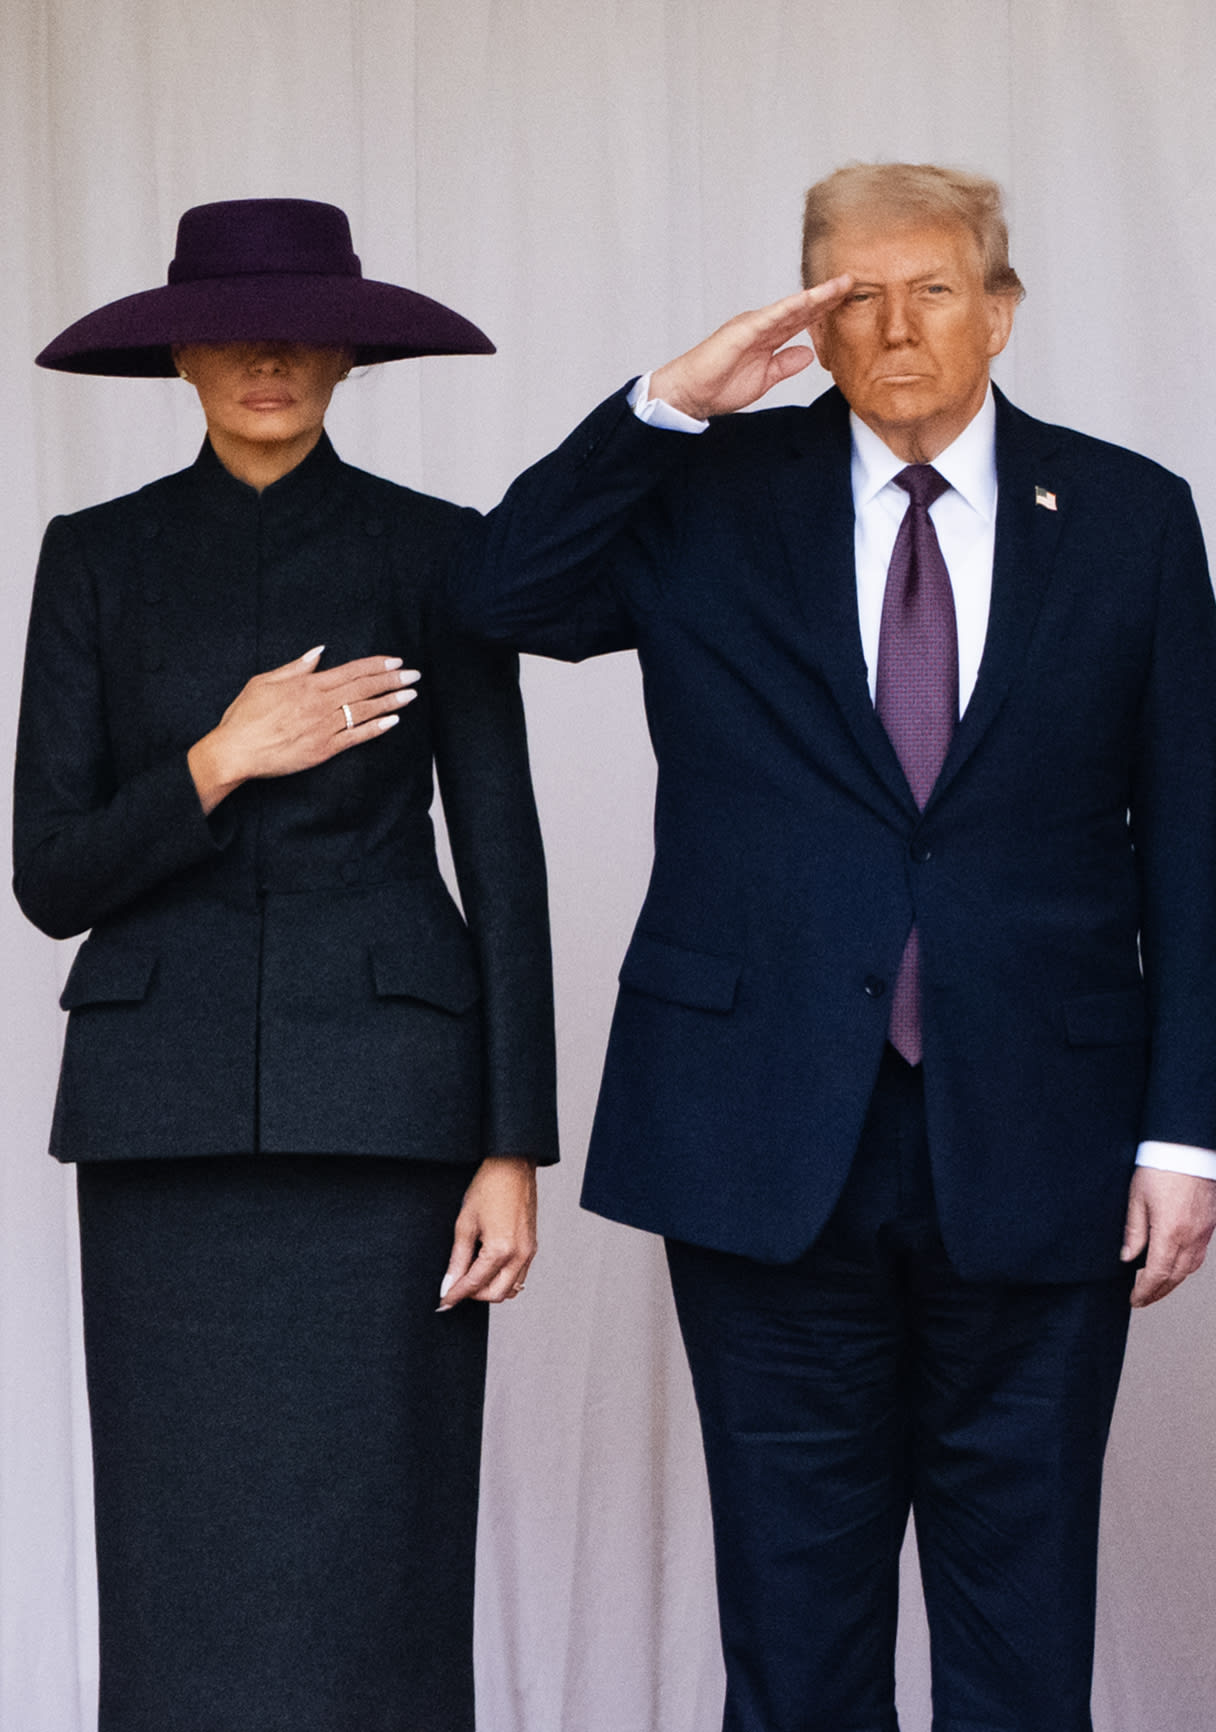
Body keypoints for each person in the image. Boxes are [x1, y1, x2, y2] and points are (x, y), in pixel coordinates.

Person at [450, 162, 1216, 1730]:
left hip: (1045, 1133)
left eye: (934, 288)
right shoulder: (704, 491)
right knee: (797, 1637)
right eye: (854, 295)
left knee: (1020, 1635)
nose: (895, 324)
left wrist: (1188, 1133)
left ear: (1001, 312)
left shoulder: (1130, 514)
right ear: (810, 318)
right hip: (760, 1133)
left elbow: (1198, 839)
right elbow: (498, 592)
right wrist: (667, 403)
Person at [15, 198, 555, 1732]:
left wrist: (514, 1141)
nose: (267, 355)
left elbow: (502, 863)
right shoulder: (95, 559)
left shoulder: (440, 558)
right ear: (181, 354)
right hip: (158, 1119)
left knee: (382, 1529)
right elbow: (48, 877)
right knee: (180, 1538)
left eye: (301, 329)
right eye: (234, 330)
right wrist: (216, 761)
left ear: (345, 353)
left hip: (392, 1118)